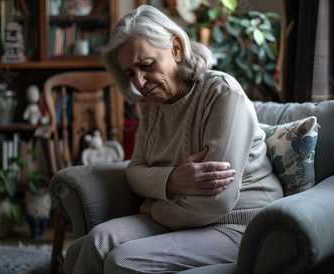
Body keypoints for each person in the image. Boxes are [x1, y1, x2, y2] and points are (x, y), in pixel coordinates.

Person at [71, 5, 283, 273]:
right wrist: (171, 180)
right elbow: (134, 172)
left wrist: (156, 208)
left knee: (122, 260)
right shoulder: (150, 105)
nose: (139, 81)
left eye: (146, 65)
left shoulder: (223, 95)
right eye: (129, 73)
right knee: (90, 245)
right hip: (185, 213)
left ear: (176, 49)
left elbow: (216, 201)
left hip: (240, 225)